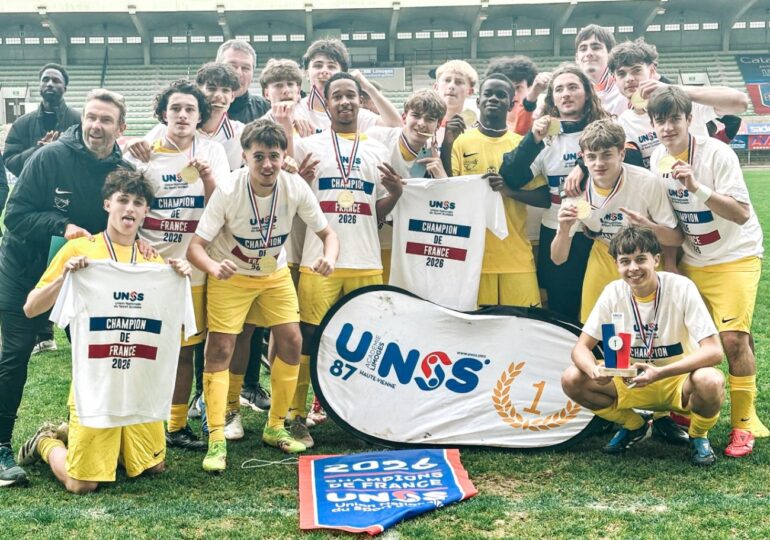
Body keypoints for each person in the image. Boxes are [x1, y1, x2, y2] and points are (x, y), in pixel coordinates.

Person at [16, 170, 192, 493]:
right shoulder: (80, 251)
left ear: (145, 212)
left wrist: (178, 277)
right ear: (107, 204)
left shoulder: (153, 262)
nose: (130, 208)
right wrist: (65, 278)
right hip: (95, 387)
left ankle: (76, 433)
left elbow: (173, 324)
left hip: (138, 385)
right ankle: (44, 441)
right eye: (123, 199)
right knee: (81, 484)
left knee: (154, 467)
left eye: (138, 202)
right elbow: (30, 308)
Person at [187, 119, 339, 471]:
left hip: (274, 275)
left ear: (284, 155)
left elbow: (328, 233)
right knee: (221, 347)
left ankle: (275, 426)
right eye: (259, 157)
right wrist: (213, 268)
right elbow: (196, 247)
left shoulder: (294, 185)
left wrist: (329, 258)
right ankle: (217, 436)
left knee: (291, 340)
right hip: (232, 276)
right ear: (245, 157)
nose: (267, 164)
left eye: (274, 155)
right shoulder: (228, 189)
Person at [0, 89, 131, 487]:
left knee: (95, 358)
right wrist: (61, 227)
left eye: (106, 120)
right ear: (81, 120)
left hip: (84, 282)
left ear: (120, 127)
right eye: (91, 117)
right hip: (26, 271)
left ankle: (86, 436)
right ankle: (1, 446)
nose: (96, 126)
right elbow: (15, 216)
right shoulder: (49, 157)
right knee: (15, 355)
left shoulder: (120, 171)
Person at [648, 86, 767, 458]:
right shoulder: (656, 159)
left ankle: (744, 423)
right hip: (693, 258)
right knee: (692, 339)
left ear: (688, 119)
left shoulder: (716, 153)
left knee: (732, 339)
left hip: (735, 255)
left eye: (674, 119)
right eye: (660, 120)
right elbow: (670, 221)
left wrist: (695, 187)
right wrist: (671, 266)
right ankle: (689, 409)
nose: (667, 127)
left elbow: (741, 213)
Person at [291, 73, 404, 444]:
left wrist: (396, 194)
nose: (344, 102)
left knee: (370, 343)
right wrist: (303, 186)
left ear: (360, 101)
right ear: (326, 102)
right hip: (318, 260)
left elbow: (376, 211)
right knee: (309, 337)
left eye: (350, 95)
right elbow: (297, 207)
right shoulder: (309, 145)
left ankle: (364, 414)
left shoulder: (376, 148)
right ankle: (296, 415)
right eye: (336, 96)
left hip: (367, 259)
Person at [124, 80, 230, 450]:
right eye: (175, 109)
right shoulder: (143, 150)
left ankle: (176, 424)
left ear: (200, 115)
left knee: (185, 349)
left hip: (195, 266)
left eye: (190, 109)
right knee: (142, 346)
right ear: (163, 114)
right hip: (151, 265)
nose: (182, 115)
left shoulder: (213, 151)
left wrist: (207, 178)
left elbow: (222, 208)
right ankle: (136, 417)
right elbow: (126, 205)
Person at [562, 226, 725, 466]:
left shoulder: (681, 287)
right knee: (571, 378)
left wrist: (660, 372)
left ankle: (698, 436)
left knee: (710, 380)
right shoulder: (612, 292)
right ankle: (634, 425)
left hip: (677, 380)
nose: (633, 268)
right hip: (630, 380)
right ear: (617, 265)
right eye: (625, 261)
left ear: (656, 260)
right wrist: (593, 370)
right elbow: (580, 348)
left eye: (640, 259)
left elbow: (714, 351)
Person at [499, 64, 608, 321]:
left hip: (600, 231)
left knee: (602, 307)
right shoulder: (546, 138)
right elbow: (511, 176)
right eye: (559, 89)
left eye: (573, 87)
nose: (566, 94)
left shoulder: (605, 128)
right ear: (552, 99)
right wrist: (532, 139)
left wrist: (583, 166)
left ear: (588, 93)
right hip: (557, 230)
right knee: (562, 308)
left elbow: (625, 162)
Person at [551, 119, 681, 322]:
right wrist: (562, 229)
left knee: (652, 326)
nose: (598, 163)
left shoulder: (646, 181)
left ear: (622, 153)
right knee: (595, 328)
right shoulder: (575, 191)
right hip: (604, 255)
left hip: (642, 258)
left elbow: (676, 238)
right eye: (591, 157)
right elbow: (558, 259)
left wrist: (649, 227)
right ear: (583, 158)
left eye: (606, 155)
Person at [449, 74, 549, 307]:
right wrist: (446, 144)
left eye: (501, 95)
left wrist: (509, 191)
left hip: (516, 257)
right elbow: (448, 191)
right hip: (474, 259)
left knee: (523, 329)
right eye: (488, 94)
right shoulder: (461, 142)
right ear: (478, 101)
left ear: (511, 104)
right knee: (477, 335)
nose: (494, 98)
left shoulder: (521, 144)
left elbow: (544, 197)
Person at [4, 63, 81, 355]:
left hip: (66, 204)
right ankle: (41, 333)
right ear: (39, 85)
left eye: (56, 80)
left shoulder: (76, 119)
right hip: (32, 205)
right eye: (46, 80)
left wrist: (58, 150)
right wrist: (40, 150)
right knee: (37, 266)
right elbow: (10, 159)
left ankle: (66, 330)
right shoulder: (23, 123)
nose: (50, 84)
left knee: (62, 265)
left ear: (65, 87)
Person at [609, 38, 748, 168]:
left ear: (651, 71)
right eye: (621, 74)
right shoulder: (623, 123)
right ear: (614, 79)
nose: (629, 79)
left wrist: (673, 89)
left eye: (636, 70)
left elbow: (740, 102)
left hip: (705, 190)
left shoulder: (682, 103)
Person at [365, 88, 448, 283]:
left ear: (438, 124)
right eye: (416, 115)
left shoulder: (435, 156)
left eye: (430, 119)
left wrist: (441, 176)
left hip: (409, 245)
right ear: (404, 117)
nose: (421, 123)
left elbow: (444, 206)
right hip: (375, 239)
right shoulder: (377, 137)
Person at [300, 39, 401, 133]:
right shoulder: (296, 110)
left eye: (331, 66)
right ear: (306, 72)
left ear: (342, 73)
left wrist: (368, 88)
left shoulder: (352, 113)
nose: (324, 71)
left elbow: (396, 127)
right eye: (318, 65)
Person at [484, 56, 549, 136]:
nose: (513, 94)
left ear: (530, 88)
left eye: (518, 87)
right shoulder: (483, 128)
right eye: (506, 89)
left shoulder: (542, 122)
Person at [574, 24, 628, 116]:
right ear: (577, 58)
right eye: (583, 49)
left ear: (611, 54)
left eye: (596, 47)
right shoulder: (568, 92)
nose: (589, 53)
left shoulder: (626, 89)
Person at [216, 39, 269, 124]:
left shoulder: (266, 110)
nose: (238, 73)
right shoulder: (198, 108)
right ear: (216, 68)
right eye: (232, 66)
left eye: (245, 68)